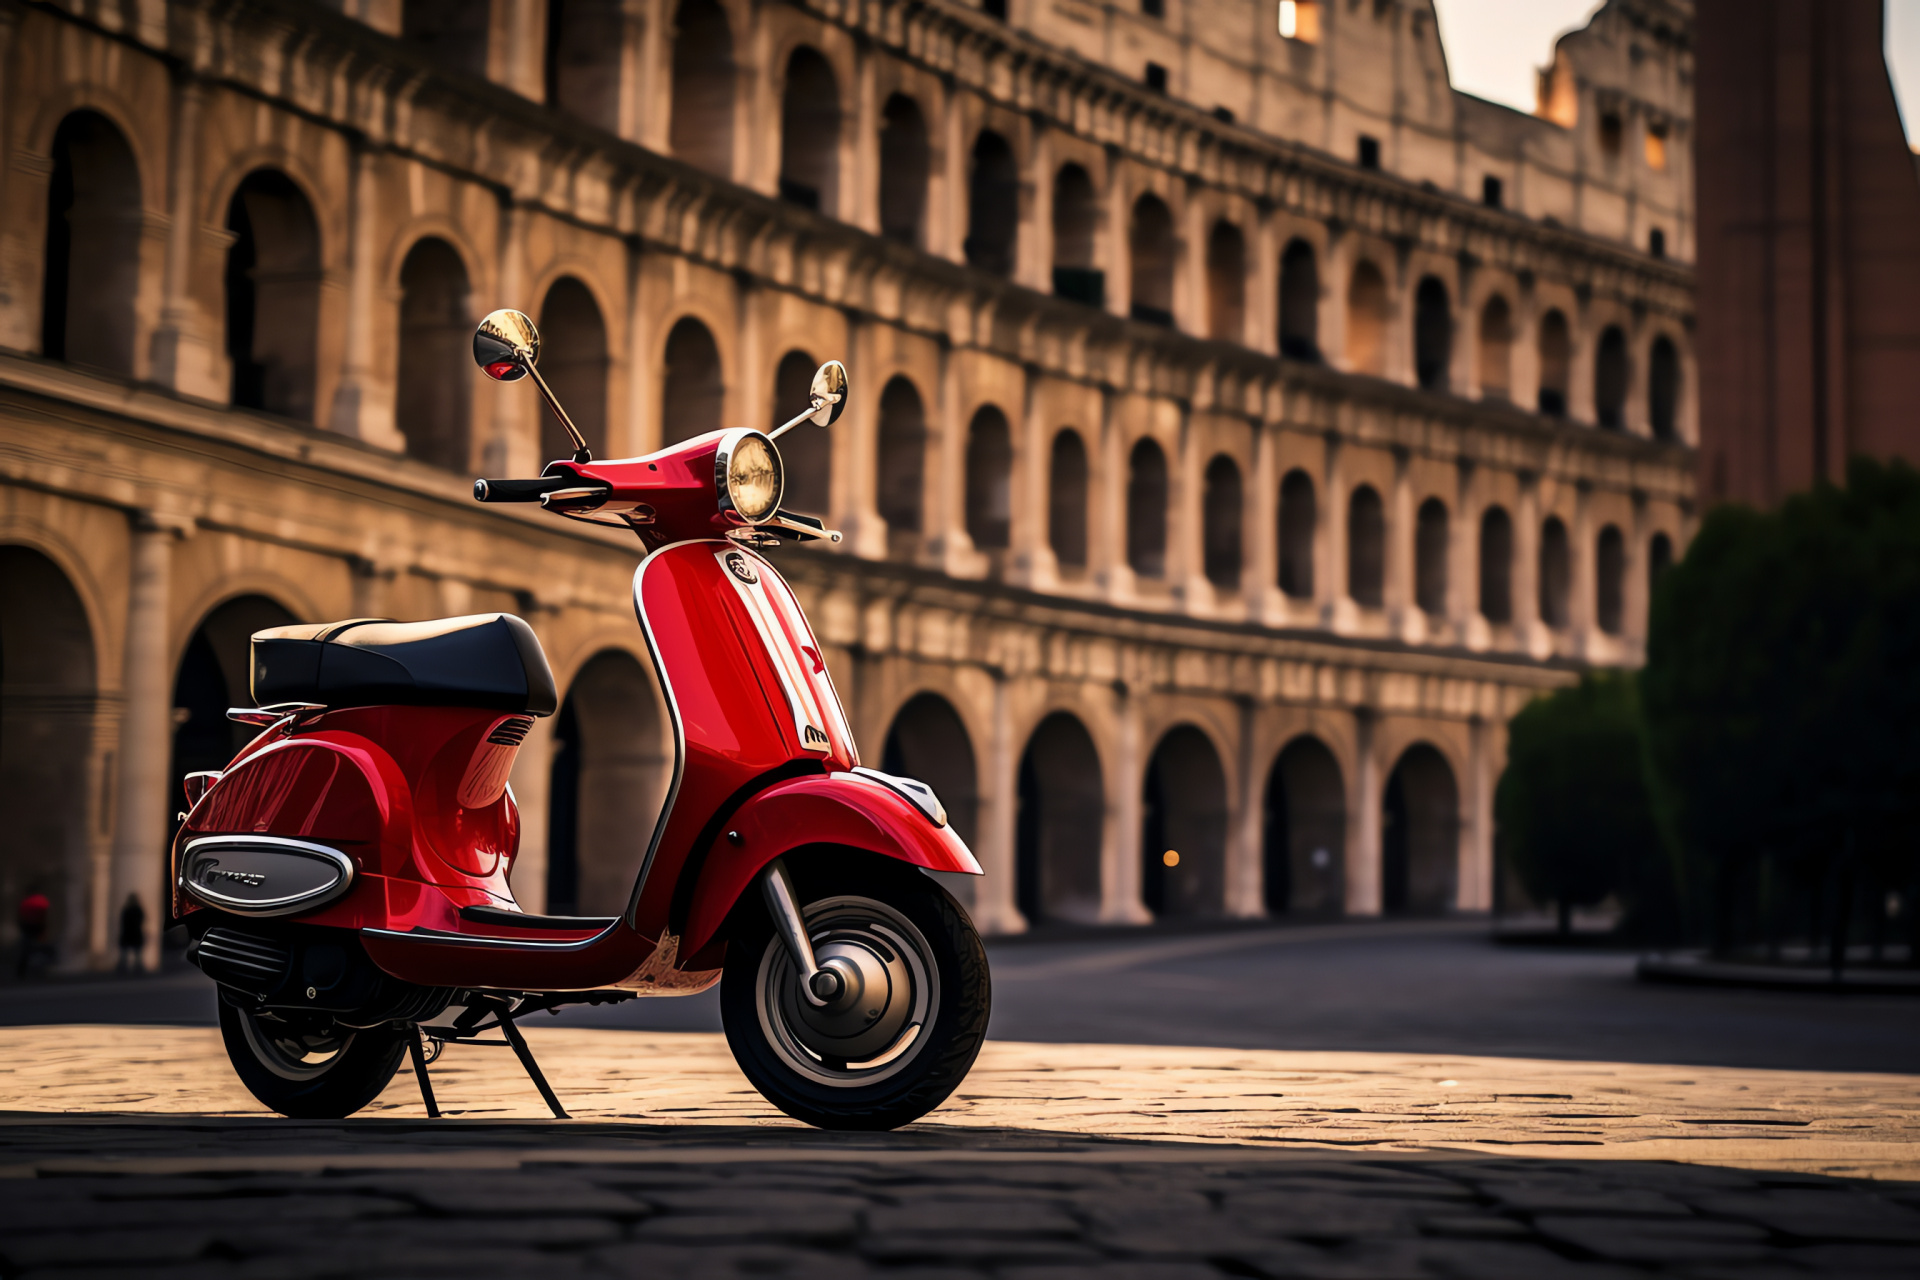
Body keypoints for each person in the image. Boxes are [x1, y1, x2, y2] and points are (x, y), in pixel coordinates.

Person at [16, 890, 50, 977]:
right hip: (38, 926)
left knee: (26, 949)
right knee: (39, 948)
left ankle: (22, 972)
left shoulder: (26, 902)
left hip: (27, 926)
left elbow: (21, 914)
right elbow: (44, 913)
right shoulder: (41, 900)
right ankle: (41, 970)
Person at [117, 893, 146, 974]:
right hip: (135, 934)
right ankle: (137, 969)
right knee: (136, 955)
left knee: (126, 955)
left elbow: (123, 922)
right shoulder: (137, 910)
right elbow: (141, 921)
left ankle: (123, 969)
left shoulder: (127, 910)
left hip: (128, 933)